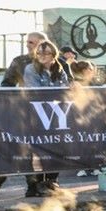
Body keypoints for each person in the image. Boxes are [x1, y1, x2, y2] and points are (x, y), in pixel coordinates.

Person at [21, 40, 72, 197]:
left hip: (56, 115)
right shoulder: (30, 69)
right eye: (39, 53)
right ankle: (33, 185)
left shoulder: (60, 69)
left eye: (46, 53)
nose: (42, 56)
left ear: (53, 55)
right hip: (35, 114)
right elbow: (36, 90)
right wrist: (57, 92)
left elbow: (65, 88)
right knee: (34, 149)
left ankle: (51, 181)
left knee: (56, 147)